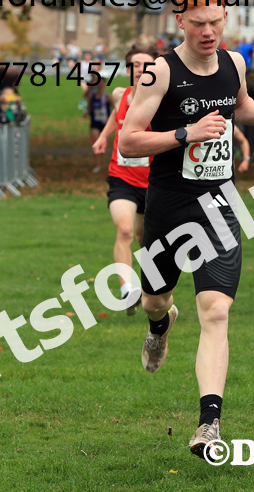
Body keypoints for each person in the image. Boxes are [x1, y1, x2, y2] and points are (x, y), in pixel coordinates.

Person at [118, 0, 254, 461]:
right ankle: (158, 326)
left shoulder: (234, 63)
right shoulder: (159, 72)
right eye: (199, 23)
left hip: (218, 204)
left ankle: (209, 425)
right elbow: (129, 141)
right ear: (180, 21)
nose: (209, 31)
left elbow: (241, 107)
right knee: (156, 300)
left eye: (216, 21)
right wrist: (185, 133)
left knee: (215, 310)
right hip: (169, 206)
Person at [92, 43, 159, 315]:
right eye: (136, 65)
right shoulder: (120, 93)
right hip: (122, 177)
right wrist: (103, 136)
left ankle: (151, 293)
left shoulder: (162, 100)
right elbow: (116, 117)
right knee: (125, 231)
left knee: (146, 240)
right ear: (128, 68)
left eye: (147, 65)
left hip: (153, 181)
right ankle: (127, 290)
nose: (141, 70)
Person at [85, 68, 113, 173]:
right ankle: (97, 164)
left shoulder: (107, 96)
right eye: (98, 82)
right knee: (96, 142)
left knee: (106, 143)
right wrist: (87, 112)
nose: (100, 85)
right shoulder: (93, 96)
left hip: (106, 124)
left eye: (101, 82)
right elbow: (89, 104)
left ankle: (113, 162)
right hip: (95, 123)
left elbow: (116, 108)